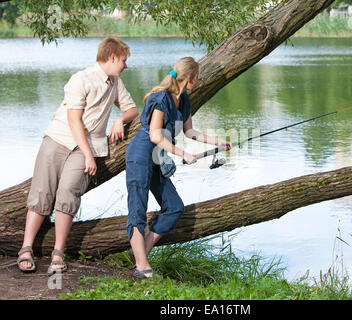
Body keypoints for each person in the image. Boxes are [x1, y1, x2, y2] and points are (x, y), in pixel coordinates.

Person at [17, 37, 139, 273]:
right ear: (112, 57)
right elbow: (74, 121)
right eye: (123, 60)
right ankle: (26, 247)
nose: (126, 65)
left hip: (86, 146)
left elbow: (132, 109)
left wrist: (120, 120)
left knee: (68, 193)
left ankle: (58, 252)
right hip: (59, 139)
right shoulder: (81, 79)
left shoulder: (115, 81)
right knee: (42, 191)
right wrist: (88, 155)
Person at [125, 57, 231, 279]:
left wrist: (217, 142)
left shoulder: (184, 100)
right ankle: (143, 267)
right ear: (190, 77)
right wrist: (184, 154)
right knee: (137, 211)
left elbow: (190, 131)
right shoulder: (161, 98)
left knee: (174, 207)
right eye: (198, 77)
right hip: (141, 155)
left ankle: (139, 257)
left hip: (157, 158)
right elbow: (155, 135)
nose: (199, 80)